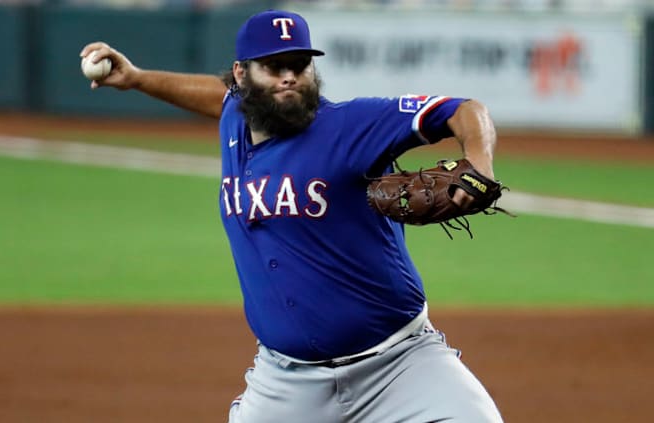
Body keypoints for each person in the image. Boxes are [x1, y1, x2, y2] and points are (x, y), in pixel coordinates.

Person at [81, 9, 503, 423]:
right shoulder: (236, 117)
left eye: (299, 66)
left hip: (400, 365)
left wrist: (479, 163)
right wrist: (136, 79)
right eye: (274, 66)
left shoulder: (351, 125)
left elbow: (462, 109)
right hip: (286, 383)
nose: (289, 76)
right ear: (242, 75)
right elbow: (217, 95)